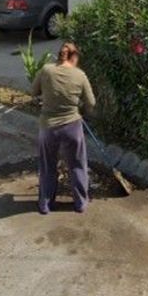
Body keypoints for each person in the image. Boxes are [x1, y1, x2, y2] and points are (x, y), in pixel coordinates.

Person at [32, 42, 96, 214]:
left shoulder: (46, 70)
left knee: (48, 166)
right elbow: (91, 102)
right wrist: (81, 109)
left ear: (59, 55)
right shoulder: (80, 75)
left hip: (48, 127)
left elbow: (34, 92)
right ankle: (80, 203)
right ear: (74, 57)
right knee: (77, 164)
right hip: (72, 127)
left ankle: (45, 204)